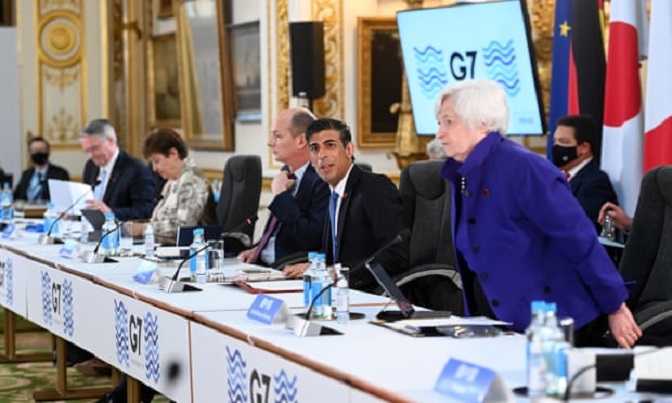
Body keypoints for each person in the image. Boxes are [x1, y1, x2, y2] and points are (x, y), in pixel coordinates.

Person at [436, 79, 640, 348]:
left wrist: (615, 305)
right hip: (496, 316)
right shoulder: (463, 172)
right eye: (440, 123)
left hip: (551, 321)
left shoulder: (524, 167)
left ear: (482, 123)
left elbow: (578, 236)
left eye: (449, 122)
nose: (440, 133)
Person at [91, 128, 210, 403]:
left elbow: (183, 226)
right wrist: (140, 227)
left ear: (173, 153)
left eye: (157, 161)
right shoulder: (173, 183)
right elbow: (159, 221)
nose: (155, 169)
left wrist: (141, 229)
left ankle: (126, 395)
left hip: (186, 263)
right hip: (164, 258)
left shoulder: (191, 180)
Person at [285, 118, 405, 292]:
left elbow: (395, 254)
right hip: (337, 291)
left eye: (330, 145)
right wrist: (315, 266)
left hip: (371, 293)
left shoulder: (375, 187)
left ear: (349, 150)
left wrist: (338, 273)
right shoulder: (332, 193)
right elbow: (337, 256)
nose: (321, 155)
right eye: (315, 148)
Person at [238, 108, 329, 266]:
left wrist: (281, 195)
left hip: (289, 268)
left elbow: (309, 238)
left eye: (278, 136)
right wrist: (258, 249)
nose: (270, 142)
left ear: (301, 141)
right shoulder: (286, 172)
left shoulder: (322, 179)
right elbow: (278, 233)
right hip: (262, 264)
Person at [79, 118, 155, 221]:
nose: (91, 155)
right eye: (87, 151)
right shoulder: (91, 166)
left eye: (94, 148)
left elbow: (145, 211)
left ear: (110, 141)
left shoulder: (135, 169)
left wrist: (110, 213)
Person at [552, 115, 618, 232]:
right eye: (555, 141)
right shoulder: (556, 176)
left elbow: (578, 224)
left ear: (584, 147)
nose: (556, 147)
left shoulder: (595, 182)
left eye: (563, 142)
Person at [13, 137, 70, 201]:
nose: (38, 152)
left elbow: (63, 198)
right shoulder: (26, 174)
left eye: (42, 149)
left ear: (49, 152)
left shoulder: (60, 174)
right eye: (34, 150)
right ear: (29, 153)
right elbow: (16, 196)